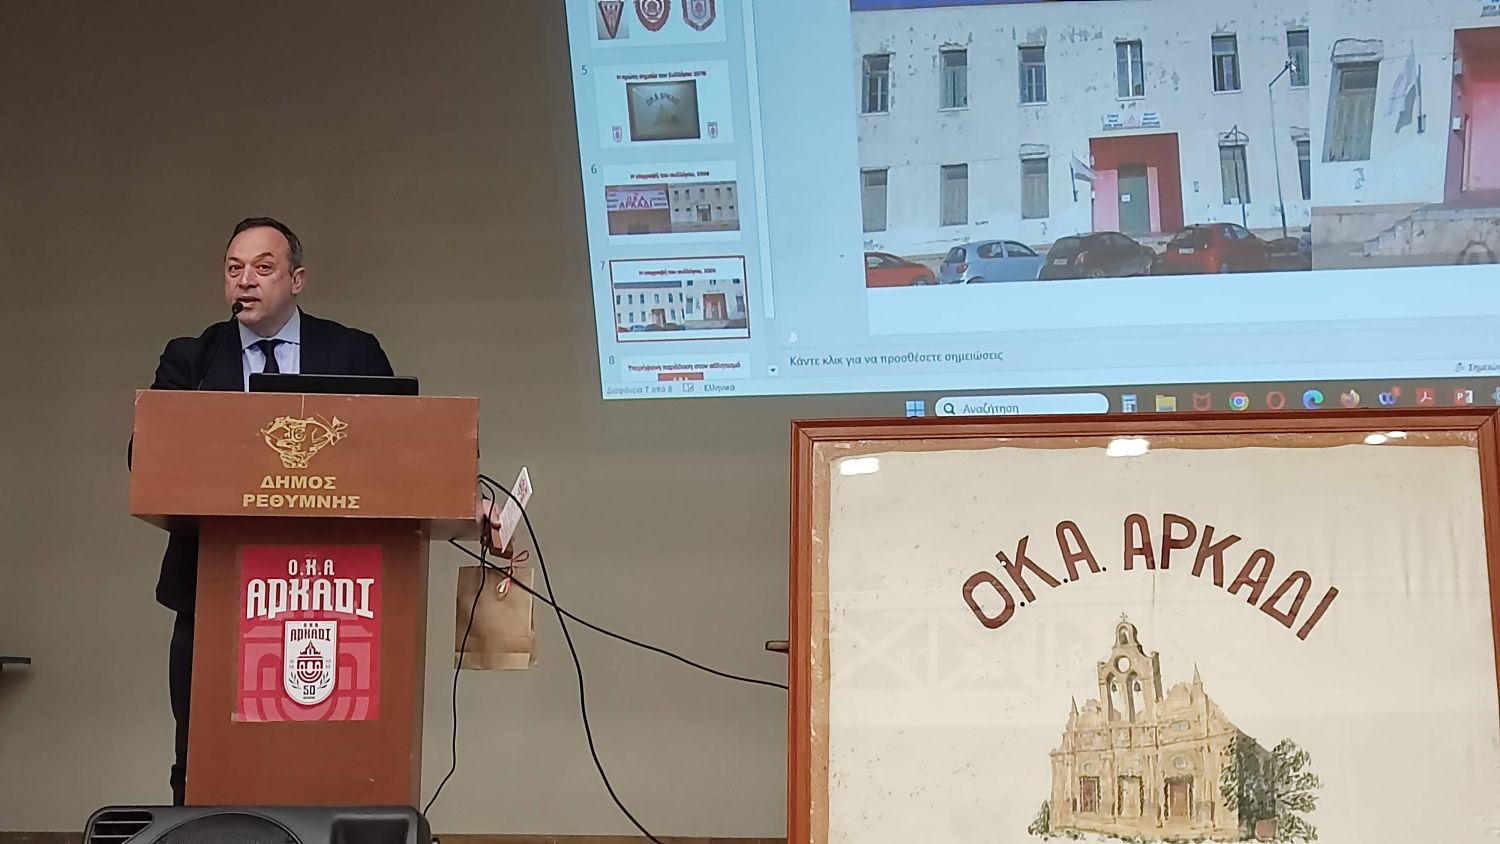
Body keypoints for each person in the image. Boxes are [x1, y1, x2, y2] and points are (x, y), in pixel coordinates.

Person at [140, 217, 394, 805]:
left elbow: (397, 451)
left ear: (297, 279)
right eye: (234, 269)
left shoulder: (353, 352)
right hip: (213, 587)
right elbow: (148, 456)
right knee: (202, 754)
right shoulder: (191, 359)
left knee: (321, 757)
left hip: (329, 588)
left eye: (262, 267)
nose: (245, 281)